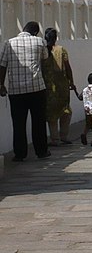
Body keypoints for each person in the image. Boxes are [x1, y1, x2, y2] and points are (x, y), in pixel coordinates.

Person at [0, 21, 50, 161]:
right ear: (35, 32)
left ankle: (20, 154)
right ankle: (41, 151)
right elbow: (45, 60)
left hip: (16, 91)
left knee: (18, 123)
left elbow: (2, 66)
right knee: (38, 122)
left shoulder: (8, 43)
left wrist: (1, 85)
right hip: (37, 88)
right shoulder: (39, 41)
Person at [42, 27, 77, 146]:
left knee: (51, 112)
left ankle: (54, 138)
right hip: (62, 85)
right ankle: (64, 136)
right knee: (65, 110)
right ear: (56, 38)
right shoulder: (61, 50)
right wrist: (71, 82)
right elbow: (68, 67)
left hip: (48, 86)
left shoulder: (43, 50)